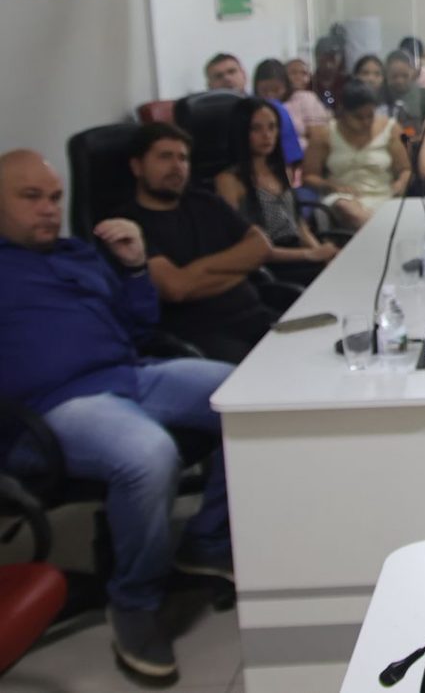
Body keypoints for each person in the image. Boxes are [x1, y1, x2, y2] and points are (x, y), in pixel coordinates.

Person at [0, 150, 235, 682]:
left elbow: (139, 326)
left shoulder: (79, 253)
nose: (48, 209)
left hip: (130, 373)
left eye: (55, 197)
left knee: (242, 397)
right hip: (53, 405)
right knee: (148, 453)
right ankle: (134, 599)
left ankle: (205, 542)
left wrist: (132, 267)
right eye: (31, 197)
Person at [121, 123, 277, 363]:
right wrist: (241, 267)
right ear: (137, 167)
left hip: (257, 315)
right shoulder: (128, 225)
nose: (177, 167)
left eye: (183, 158)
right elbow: (175, 288)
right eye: (165, 157)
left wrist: (194, 273)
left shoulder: (205, 201)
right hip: (203, 335)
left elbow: (262, 247)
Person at [215, 98, 339, 287]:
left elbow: (299, 227)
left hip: (298, 254)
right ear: (242, 132)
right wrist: (310, 254)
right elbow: (241, 245)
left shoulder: (280, 170)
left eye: (272, 127)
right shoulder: (229, 180)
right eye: (256, 129)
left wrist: (322, 254)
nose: (267, 135)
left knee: (341, 266)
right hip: (269, 266)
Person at [302, 81, 410, 229]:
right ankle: (381, 230)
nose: (366, 122)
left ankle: (379, 229)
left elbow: (405, 169)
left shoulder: (390, 128)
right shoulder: (325, 134)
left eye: (370, 116)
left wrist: (401, 183)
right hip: (344, 197)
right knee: (347, 209)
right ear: (343, 112)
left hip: (384, 195)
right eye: (358, 117)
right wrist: (331, 186)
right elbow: (309, 176)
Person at [205, 52, 304, 171]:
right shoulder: (202, 118)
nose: (227, 78)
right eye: (219, 76)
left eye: (232, 72)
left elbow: (289, 161)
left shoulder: (272, 109)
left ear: (244, 75)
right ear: (209, 84)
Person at [254, 57, 329, 153]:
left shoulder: (303, 99)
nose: (270, 95)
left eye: (276, 90)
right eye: (264, 90)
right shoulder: (252, 107)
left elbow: (319, 138)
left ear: (286, 85)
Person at [381, 50, 425, 137]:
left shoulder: (424, 95)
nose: (400, 81)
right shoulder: (378, 95)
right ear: (386, 75)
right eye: (394, 76)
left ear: (413, 73)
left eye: (405, 76)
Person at [310, 34, 349, 110]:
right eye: (324, 57)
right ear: (316, 57)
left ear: (340, 58)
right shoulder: (309, 83)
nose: (328, 64)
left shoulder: (348, 83)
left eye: (332, 58)